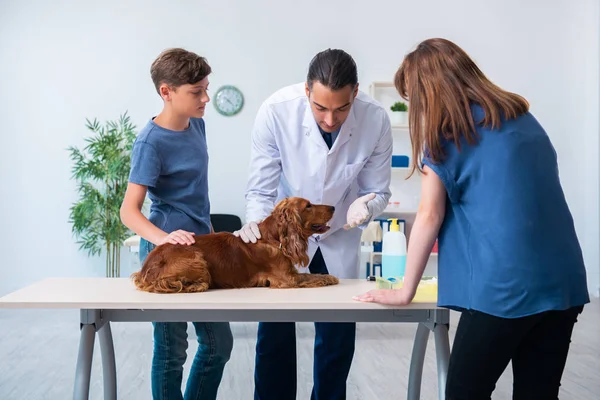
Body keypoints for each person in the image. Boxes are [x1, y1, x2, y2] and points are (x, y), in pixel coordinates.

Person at [354, 38, 590, 399]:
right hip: (564, 281)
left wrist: (405, 290)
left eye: (416, 98)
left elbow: (430, 214)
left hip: (506, 289)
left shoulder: (447, 138)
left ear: (429, 94)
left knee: (464, 391)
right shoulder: (523, 118)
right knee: (539, 393)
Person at [234, 48, 393, 400]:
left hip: (338, 235)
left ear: (355, 92)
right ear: (307, 91)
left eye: (341, 108)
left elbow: (377, 190)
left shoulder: (376, 119)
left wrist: (364, 209)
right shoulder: (275, 112)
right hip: (284, 238)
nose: (331, 120)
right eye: (320, 108)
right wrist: (257, 228)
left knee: (337, 337)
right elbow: (261, 188)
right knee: (274, 333)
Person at [120, 48, 233, 400]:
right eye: (196, 92)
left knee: (219, 344)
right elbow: (129, 211)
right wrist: (165, 238)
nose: (206, 98)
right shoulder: (149, 142)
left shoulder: (197, 125)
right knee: (172, 350)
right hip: (167, 252)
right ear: (166, 92)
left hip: (203, 246)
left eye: (206, 88)